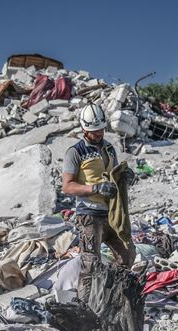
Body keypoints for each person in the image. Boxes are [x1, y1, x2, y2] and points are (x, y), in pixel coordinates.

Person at [62, 103, 136, 300]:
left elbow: (113, 175)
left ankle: (115, 297)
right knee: (90, 264)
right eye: (93, 131)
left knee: (127, 255)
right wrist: (93, 188)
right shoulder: (75, 152)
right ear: (84, 129)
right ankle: (86, 305)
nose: (98, 134)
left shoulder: (110, 149)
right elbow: (67, 186)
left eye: (101, 129)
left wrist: (125, 176)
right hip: (89, 215)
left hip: (111, 213)